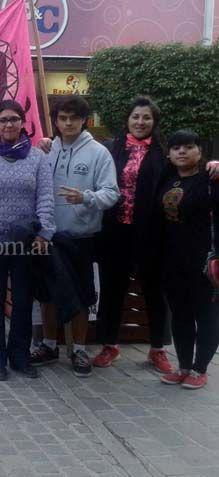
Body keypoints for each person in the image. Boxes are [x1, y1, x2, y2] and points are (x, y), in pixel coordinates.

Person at [0, 99, 55, 381]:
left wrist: (44, 232)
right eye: (3, 120)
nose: (8, 124)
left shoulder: (37, 159)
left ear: (22, 122)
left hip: (25, 242)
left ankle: (20, 357)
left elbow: (45, 197)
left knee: (24, 302)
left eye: (14, 119)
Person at [30, 96, 119, 377]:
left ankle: (79, 349)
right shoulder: (48, 149)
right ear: (55, 121)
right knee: (47, 295)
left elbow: (112, 193)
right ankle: (48, 345)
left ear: (84, 120)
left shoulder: (98, 153)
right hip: (49, 237)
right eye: (62, 118)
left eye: (73, 118)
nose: (67, 123)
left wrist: (86, 198)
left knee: (81, 297)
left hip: (81, 238)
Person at [92, 97, 173, 372]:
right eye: (136, 116)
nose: (140, 122)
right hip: (115, 231)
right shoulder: (110, 149)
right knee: (112, 289)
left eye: (146, 117)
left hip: (151, 233)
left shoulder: (165, 154)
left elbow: (188, 170)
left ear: (154, 122)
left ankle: (158, 348)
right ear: (127, 119)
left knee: (154, 290)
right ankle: (109, 344)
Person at [156, 130, 219, 390]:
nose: (182, 151)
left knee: (206, 315)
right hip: (173, 262)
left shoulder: (211, 180)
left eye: (188, 147)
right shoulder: (167, 180)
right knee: (180, 315)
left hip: (204, 262)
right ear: (169, 155)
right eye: (176, 148)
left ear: (199, 151)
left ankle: (200, 368)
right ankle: (183, 366)